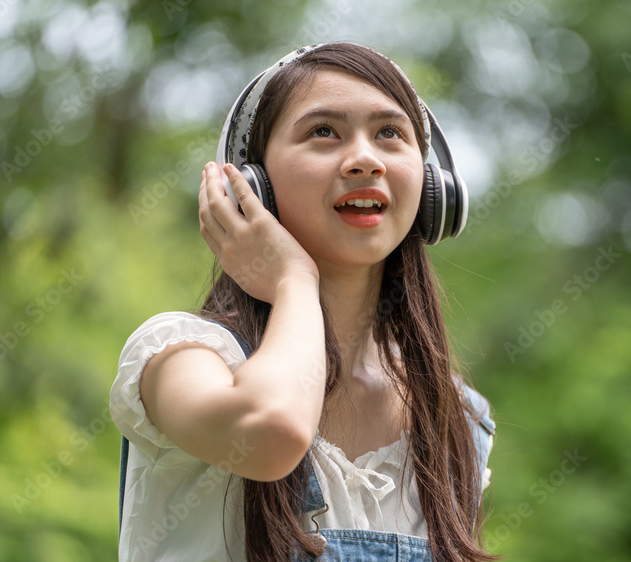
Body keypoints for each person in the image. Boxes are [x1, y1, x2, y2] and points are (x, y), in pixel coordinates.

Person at [110, 42, 498, 561]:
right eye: (323, 132)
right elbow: (270, 436)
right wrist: (294, 281)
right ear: (254, 185)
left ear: (432, 189)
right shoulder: (180, 357)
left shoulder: (456, 419)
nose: (365, 159)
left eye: (389, 133)